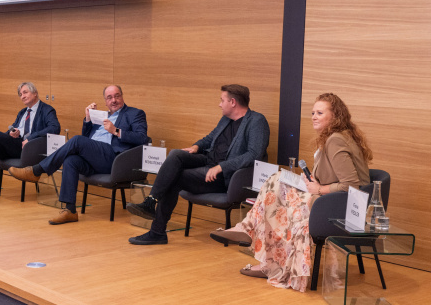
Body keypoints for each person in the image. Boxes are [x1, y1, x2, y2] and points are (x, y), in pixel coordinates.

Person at [210, 92, 372, 292]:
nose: (314, 116)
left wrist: (319, 188)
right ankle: (259, 247)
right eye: (313, 112)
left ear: (335, 116)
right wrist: (313, 181)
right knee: (277, 184)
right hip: (331, 201)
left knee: (279, 201)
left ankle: (261, 251)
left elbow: (352, 186)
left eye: (320, 113)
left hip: (342, 209)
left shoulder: (335, 140)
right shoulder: (337, 137)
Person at [127, 84, 270, 245]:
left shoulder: (257, 121)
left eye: (222, 100)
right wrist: (197, 146)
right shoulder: (226, 119)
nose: (219, 104)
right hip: (208, 161)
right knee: (176, 154)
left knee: (176, 177)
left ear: (233, 102)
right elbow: (210, 138)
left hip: (226, 176)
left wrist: (222, 167)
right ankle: (151, 201)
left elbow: (253, 155)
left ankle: (157, 231)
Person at [10, 85, 147, 225]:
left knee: (76, 140)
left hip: (114, 160)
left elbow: (142, 138)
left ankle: (37, 170)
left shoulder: (135, 113)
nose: (113, 100)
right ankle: (70, 211)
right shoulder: (102, 116)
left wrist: (116, 131)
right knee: (71, 160)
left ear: (122, 96)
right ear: (105, 101)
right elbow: (86, 139)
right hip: (95, 159)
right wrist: (88, 119)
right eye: (109, 97)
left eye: (117, 96)